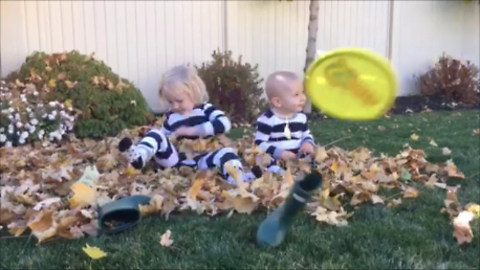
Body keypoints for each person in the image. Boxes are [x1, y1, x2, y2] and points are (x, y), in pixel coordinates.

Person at [119, 64, 261, 186]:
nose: (175, 106)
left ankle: (237, 178)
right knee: (156, 134)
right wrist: (156, 139)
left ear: (193, 92)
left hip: (204, 160)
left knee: (227, 153)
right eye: (170, 102)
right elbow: (163, 137)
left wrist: (195, 130)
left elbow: (224, 124)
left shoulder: (205, 109)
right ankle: (139, 156)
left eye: (179, 101)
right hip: (176, 163)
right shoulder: (171, 116)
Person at [254, 70, 316, 174]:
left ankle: (303, 170)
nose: (303, 98)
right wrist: (279, 153)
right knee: (263, 161)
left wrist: (307, 142)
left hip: (297, 157)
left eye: (302, 92)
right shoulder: (268, 120)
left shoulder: (301, 118)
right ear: (278, 102)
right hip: (276, 158)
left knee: (314, 159)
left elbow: (306, 134)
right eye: (296, 95)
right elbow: (259, 143)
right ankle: (279, 173)